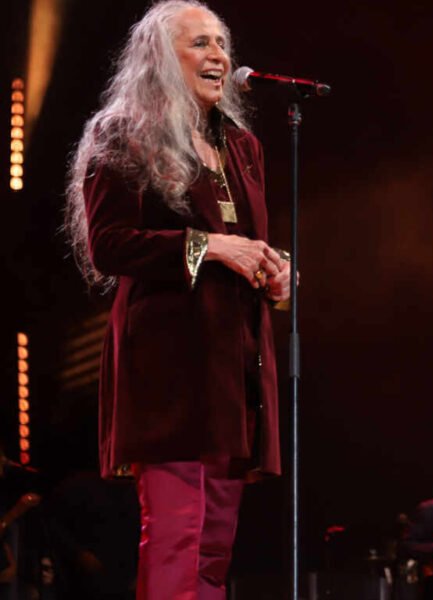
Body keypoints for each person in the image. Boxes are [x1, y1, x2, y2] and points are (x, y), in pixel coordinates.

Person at [63, 2, 293, 598]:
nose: (218, 56)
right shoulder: (124, 134)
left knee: (214, 545)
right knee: (177, 535)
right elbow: (110, 245)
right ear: (160, 58)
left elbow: (246, 241)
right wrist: (209, 247)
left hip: (234, 362)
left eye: (222, 43)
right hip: (169, 363)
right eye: (200, 43)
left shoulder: (241, 145)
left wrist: (275, 271)